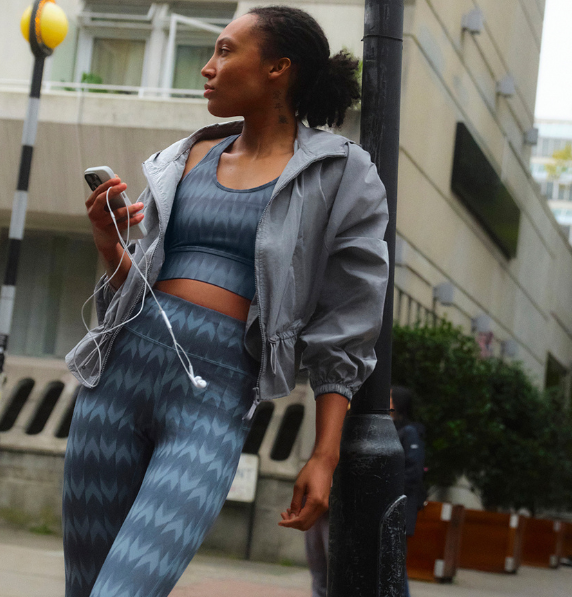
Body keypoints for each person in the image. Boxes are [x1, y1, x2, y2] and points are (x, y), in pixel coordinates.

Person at [62, 6, 389, 597]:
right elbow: (135, 295)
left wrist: (325, 453)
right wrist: (110, 242)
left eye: (224, 51)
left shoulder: (342, 174)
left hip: (210, 406)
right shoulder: (183, 157)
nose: (208, 68)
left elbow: (349, 321)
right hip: (117, 380)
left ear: (277, 68)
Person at [390, 386, 426, 597]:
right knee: (391, 564)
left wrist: (389, 491)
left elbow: (413, 471)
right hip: (393, 507)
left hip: (400, 509)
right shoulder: (393, 428)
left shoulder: (409, 432)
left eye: (390, 398)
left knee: (395, 564)